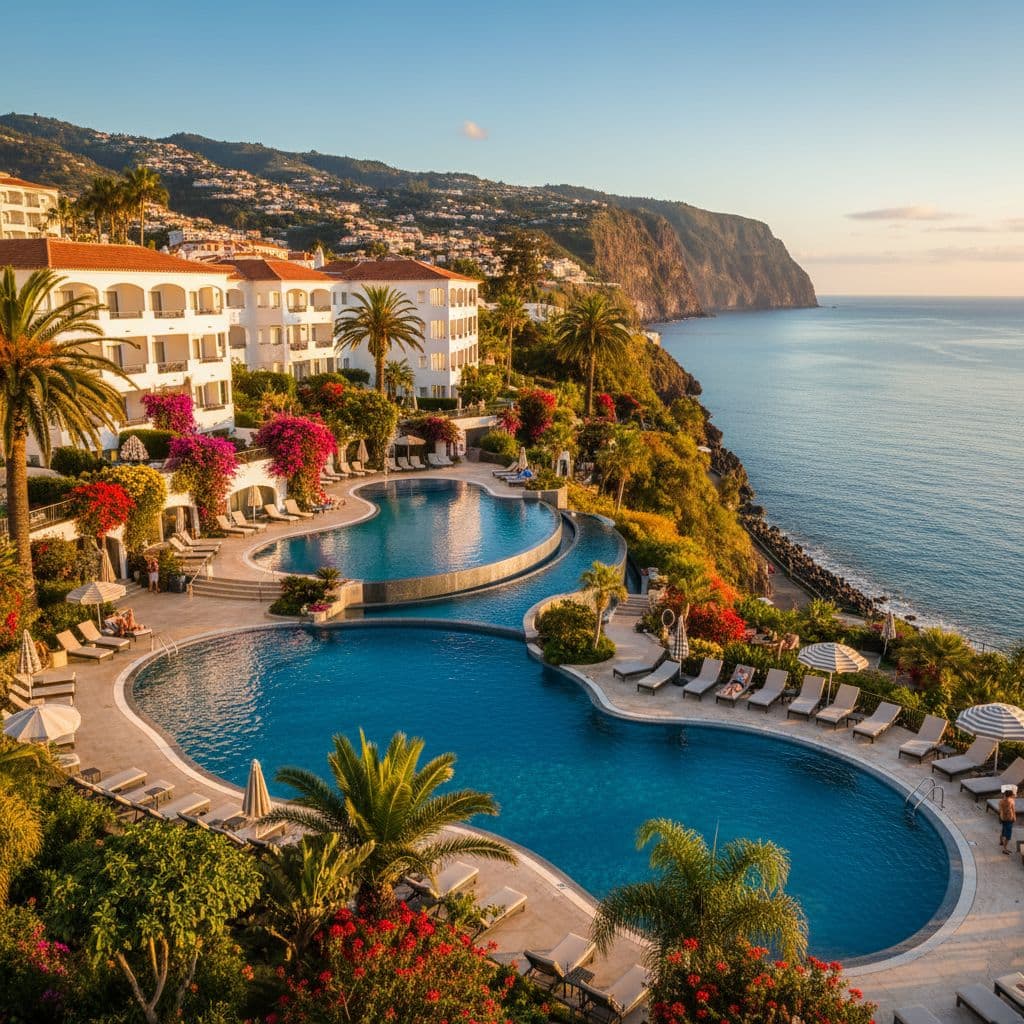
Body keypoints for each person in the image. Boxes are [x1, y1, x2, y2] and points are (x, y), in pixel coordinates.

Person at [999, 785, 1017, 855]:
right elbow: (1013, 810)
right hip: (1009, 819)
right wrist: (1014, 817)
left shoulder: (1001, 801)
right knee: (1008, 835)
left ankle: (1001, 841)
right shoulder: (1011, 801)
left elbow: (1000, 810)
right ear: (1011, 795)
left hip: (1002, 818)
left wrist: (1001, 817)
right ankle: (1005, 849)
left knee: (1003, 829)